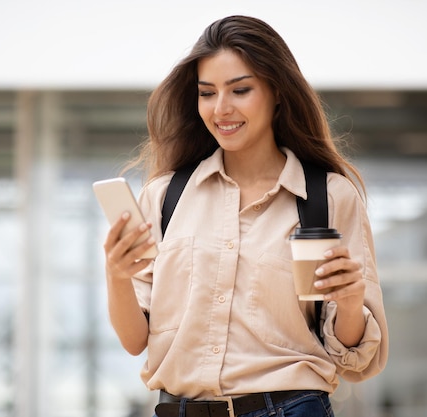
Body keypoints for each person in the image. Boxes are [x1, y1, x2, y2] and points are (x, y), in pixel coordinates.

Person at [103, 15, 388, 417]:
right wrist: (116, 274)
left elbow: (353, 360)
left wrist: (350, 300)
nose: (221, 109)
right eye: (207, 93)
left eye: (240, 90)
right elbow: (135, 341)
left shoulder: (328, 198)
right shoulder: (164, 196)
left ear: (277, 92)